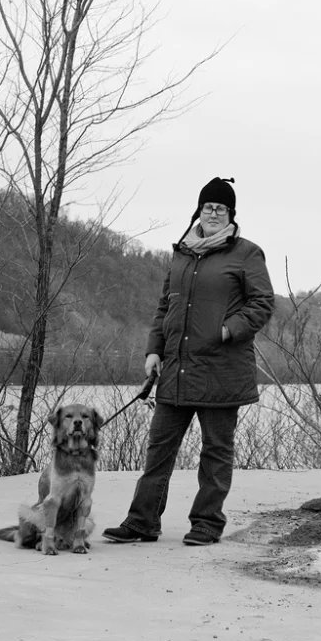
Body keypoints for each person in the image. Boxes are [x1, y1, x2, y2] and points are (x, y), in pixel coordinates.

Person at [103, 177, 275, 546]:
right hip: (175, 370)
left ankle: (207, 523)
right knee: (159, 450)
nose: (213, 213)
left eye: (221, 209)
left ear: (231, 215)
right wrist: (153, 350)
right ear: (199, 210)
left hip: (221, 371)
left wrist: (227, 330)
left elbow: (262, 303)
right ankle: (142, 522)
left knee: (215, 452)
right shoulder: (182, 253)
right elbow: (166, 306)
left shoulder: (247, 253)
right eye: (208, 207)